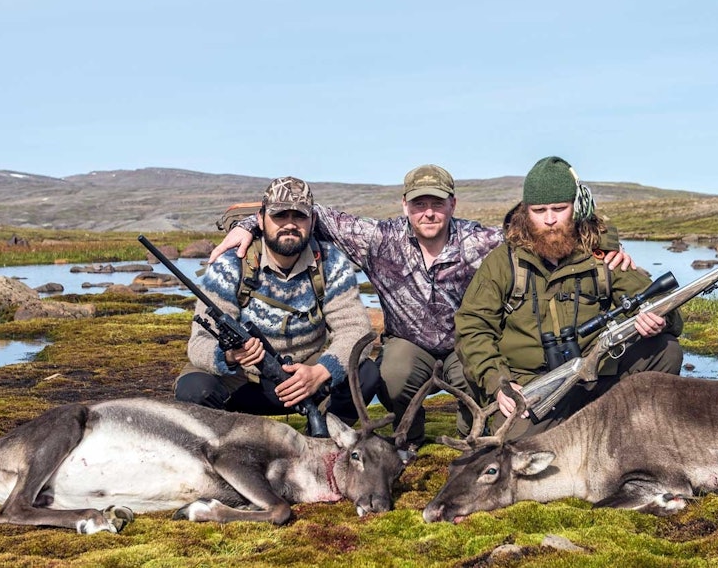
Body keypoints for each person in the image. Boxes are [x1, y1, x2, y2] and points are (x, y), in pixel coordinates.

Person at [210, 164, 635, 446]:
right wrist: (249, 226)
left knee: (475, 374)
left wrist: (607, 246)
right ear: (405, 206)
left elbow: (549, 228)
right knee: (392, 372)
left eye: (437, 203)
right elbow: (306, 214)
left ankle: (475, 435)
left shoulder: (481, 241)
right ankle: (407, 439)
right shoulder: (379, 239)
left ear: (453, 204)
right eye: (419, 204)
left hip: (458, 345)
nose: (428, 212)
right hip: (407, 344)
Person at [455, 156, 683, 441]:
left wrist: (659, 319)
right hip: (531, 384)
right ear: (525, 212)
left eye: (559, 209)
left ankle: (638, 437)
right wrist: (499, 382)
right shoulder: (503, 263)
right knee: (516, 445)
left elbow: (666, 307)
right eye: (539, 210)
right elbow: (472, 327)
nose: (550, 219)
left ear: (576, 208)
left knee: (666, 350)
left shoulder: (603, 256)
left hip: (598, 374)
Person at [175, 176, 379, 432]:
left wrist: (320, 372)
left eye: (299, 216)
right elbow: (199, 344)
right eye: (280, 216)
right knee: (194, 391)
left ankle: (323, 442)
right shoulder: (229, 265)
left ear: (312, 222)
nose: (290, 225)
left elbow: (358, 332)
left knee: (366, 374)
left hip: (306, 377)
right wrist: (228, 356)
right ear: (260, 220)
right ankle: (224, 446)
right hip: (242, 381)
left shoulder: (331, 263)